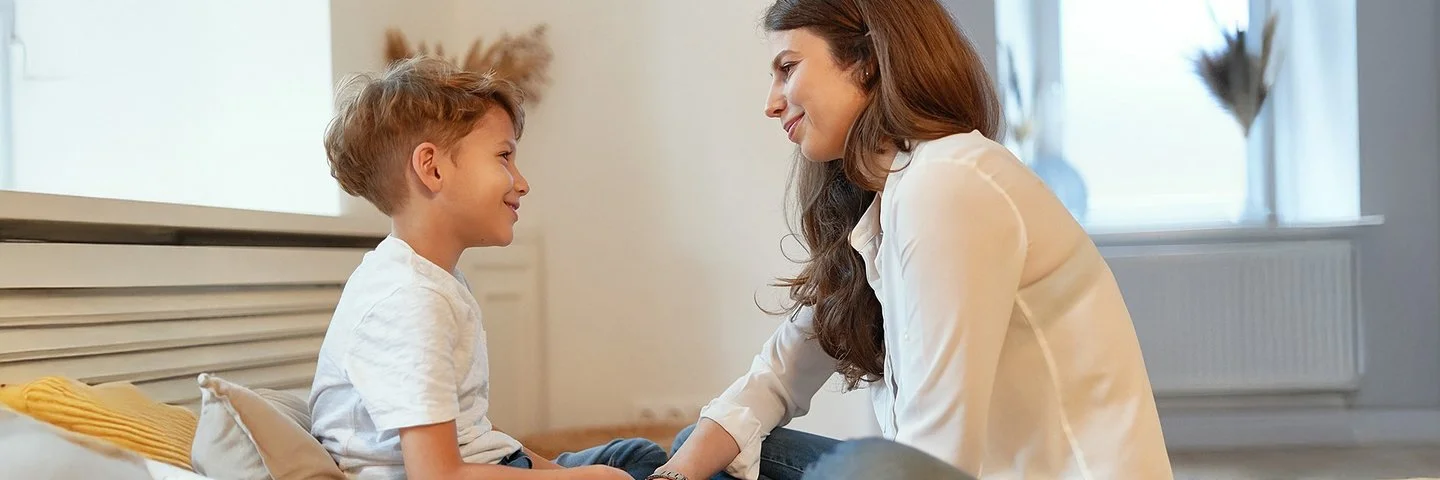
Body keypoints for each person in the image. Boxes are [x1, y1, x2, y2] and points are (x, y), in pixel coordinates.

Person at [649, 0, 1173, 479]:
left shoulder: (949, 183)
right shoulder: (887, 205)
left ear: (866, 60)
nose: (771, 103)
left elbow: (935, 456)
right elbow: (777, 377)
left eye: (788, 68)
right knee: (695, 451)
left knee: (812, 465)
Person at [309, 57, 666, 480]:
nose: (522, 181)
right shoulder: (407, 301)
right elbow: (437, 475)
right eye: (504, 157)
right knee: (627, 470)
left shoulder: (432, 281)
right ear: (433, 168)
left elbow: (470, 429)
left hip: (488, 464)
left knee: (637, 456)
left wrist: (557, 469)